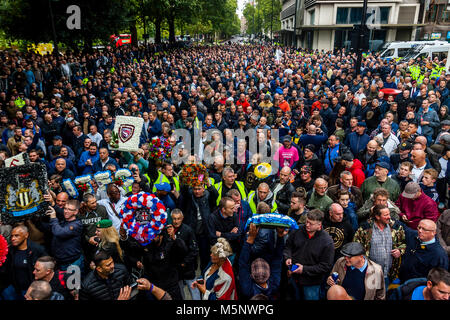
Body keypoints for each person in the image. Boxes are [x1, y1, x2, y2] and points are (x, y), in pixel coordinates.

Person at [283, 209, 335, 300]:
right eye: (307, 221)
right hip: (293, 278)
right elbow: (288, 246)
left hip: (312, 284)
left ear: (319, 225)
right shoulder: (297, 230)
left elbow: (326, 266)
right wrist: (288, 257)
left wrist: (304, 269)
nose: (307, 225)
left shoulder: (327, 241)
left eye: (311, 223)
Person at [353, 204, 406, 287]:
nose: (389, 217)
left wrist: (400, 251)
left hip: (390, 273)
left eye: (389, 214)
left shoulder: (396, 227)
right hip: (371, 273)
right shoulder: (364, 228)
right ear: (377, 216)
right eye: (386, 215)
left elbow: (403, 243)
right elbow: (356, 247)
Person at [239, 223, 287, 300]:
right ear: (269, 274)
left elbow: (243, 264)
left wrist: (250, 238)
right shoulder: (274, 284)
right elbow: (277, 260)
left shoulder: (248, 290)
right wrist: (280, 236)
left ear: (251, 275)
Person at [0, 225, 47, 300]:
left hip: (30, 290)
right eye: (12, 236)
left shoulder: (37, 250)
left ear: (26, 235)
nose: (13, 239)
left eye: (16, 236)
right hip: (14, 289)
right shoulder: (10, 250)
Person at [167, 209, 200, 300]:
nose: (176, 221)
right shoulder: (167, 230)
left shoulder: (188, 230)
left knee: (194, 289)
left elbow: (194, 250)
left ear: (182, 218)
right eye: (174, 219)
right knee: (179, 291)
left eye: (178, 219)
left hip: (187, 267)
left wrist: (185, 263)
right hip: (175, 268)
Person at [45, 201, 84, 272]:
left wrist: (53, 218)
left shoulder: (77, 225)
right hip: (60, 262)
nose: (66, 211)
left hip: (72, 264)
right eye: (65, 208)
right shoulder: (63, 221)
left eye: (69, 209)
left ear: (75, 212)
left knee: (73, 283)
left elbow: (59, 233)